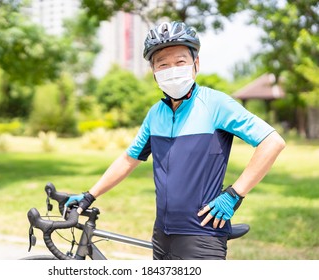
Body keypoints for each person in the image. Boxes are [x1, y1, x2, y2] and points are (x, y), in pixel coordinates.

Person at [67, 21, 286, 260]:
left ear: (196, 64)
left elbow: (272, 142)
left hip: (203, 236)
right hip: (162, 235)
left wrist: (234, 194)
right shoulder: (155, 114)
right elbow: (128, 159)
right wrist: (90, 195)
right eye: (163, 64)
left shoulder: (216, 104)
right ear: (154, 72)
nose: (172, 69)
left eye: (180, 62)